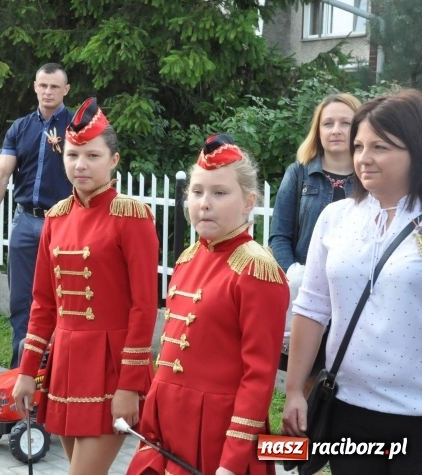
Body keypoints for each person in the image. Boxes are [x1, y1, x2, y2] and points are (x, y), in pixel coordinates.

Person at [11, 97, 159, 474]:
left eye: (93, 156)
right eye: (73, 154)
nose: (80, 165)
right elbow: (43, 304)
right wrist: (27, 371)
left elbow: (144, 308)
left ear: (114, 160)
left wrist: (129, 385)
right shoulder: (57, 218)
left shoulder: (132, 216)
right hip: (66, 363)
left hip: (112, 365)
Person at [127, 134, 289, 475]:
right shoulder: (187, 260)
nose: (204, 203)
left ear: (249, 202)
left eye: (219, 193)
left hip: (218, 433)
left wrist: (231, 463)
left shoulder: (256, 269)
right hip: (167, 428)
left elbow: (257, 379)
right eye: (197, 192)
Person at [282, 90, 422, 475]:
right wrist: (295, 389)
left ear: (415, 149)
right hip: (347, 408)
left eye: (380, 146)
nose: (363, 157)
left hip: (416, 416)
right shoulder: (336, 217)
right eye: (359, 146)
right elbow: (312, 308)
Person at [0, 62, 74, 368]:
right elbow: (3, 173)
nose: (48, 91)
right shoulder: (20, 128)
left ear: (65, 90)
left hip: (63, 223)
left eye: (54, 87)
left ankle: (56, 368)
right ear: (35, 86)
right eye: (43, 85)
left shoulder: (76, 127)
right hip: (24, 222)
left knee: (61, 299)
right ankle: (21, 368)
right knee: (22, 299)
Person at [269, 93, 361, 384]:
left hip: (353, 296)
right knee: (307, 376)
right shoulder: (298, 173)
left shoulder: (370, 178)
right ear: (317, 130)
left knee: (348, 377)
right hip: (307, 296)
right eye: (328, 123)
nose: (336, 130)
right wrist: (296, 276)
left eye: (345, 123)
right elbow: (279, 236)